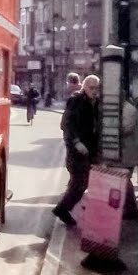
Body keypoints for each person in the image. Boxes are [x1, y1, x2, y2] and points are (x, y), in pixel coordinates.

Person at [53, 74, 101, 227]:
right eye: (91, 87)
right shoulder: (77, 101)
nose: (94, 91)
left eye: (96, 88)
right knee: (80, 182)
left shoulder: (96, 102)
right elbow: (67, 125)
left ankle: (65, 208)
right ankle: (62, 209)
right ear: (84, 87)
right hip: (77, 150)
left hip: (90, 149)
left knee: (79, 182)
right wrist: (76, 142)